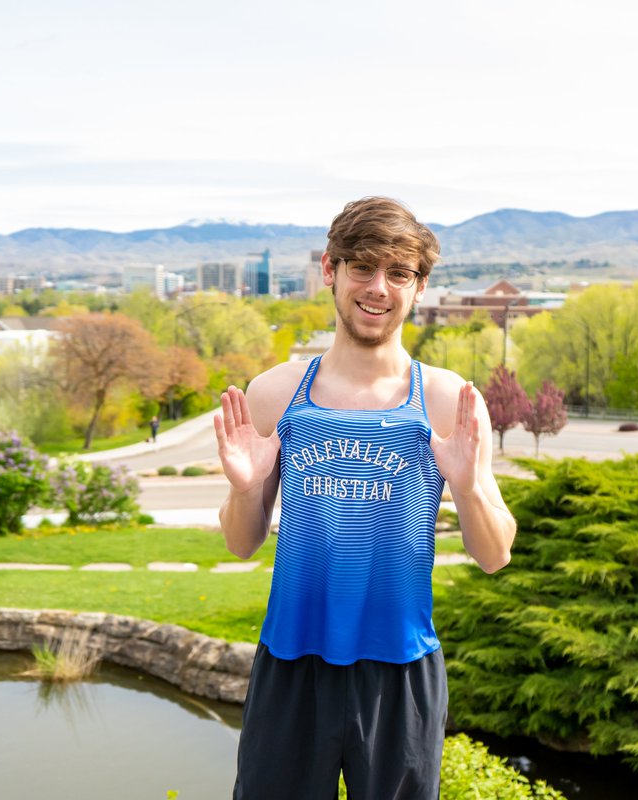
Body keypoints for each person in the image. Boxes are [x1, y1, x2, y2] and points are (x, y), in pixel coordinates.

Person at [215, 196, 516, 799]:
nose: (379, 288)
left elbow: (494, 554)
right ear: (330, 269)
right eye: (363, 268)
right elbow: (242, 542)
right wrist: (248, 490)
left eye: (399, 273)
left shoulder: (447, 399)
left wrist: (467, 487)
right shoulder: (275, 393)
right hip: (291, 665)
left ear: (419, 286)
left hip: (400, 670)